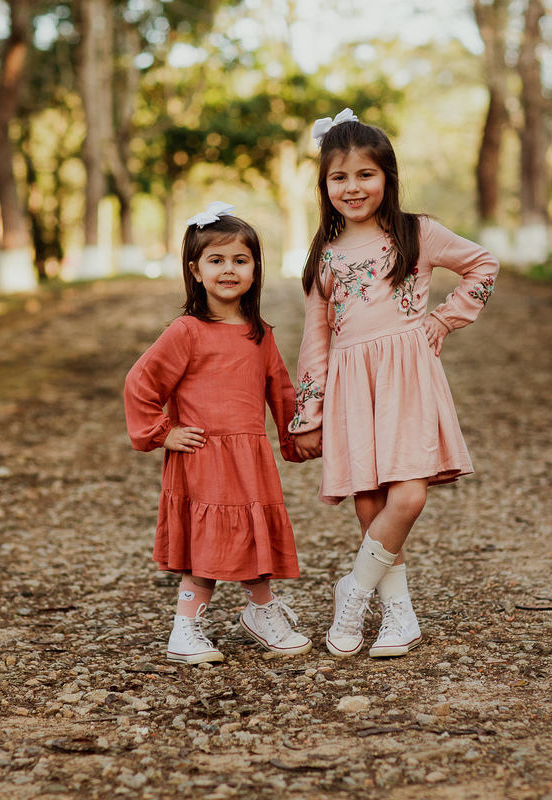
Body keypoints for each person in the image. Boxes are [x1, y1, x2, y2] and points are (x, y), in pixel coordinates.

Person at [291, 110, 500, 658]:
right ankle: (399, 618)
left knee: (407, 496)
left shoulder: (417, 233)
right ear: (324, 185)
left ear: (387, 176)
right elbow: (315, 342)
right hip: (351, 388)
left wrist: (443, 319)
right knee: (369, 504)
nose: (353, 187)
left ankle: (354, 591)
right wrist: (307, 416)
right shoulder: (325, 257)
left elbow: (483, 264)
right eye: (339, 177)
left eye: (366, 175)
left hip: (407, 378)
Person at [124, 202, 311, 665]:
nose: (229, 269)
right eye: (217, 260)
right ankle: (185, 629)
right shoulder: (186, 331)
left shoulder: (259, 334)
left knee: (252, 533)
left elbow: (282, 391)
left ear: (255, 270)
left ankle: (261, 611)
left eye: (240, 260)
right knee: (207, 545)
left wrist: (299, 435)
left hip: (248, 456)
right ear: (196, 271)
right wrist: (161, 432)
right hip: (203, 455)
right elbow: (140, 383)